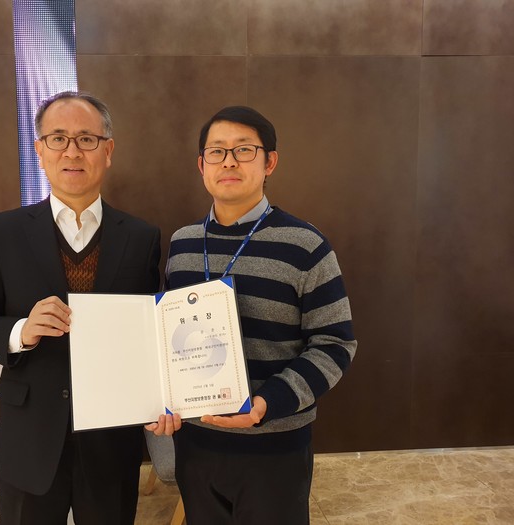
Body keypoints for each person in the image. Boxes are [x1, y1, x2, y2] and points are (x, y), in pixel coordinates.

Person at [0, 91, 161, 524]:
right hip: (29, 439)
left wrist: (158, 400)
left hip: (111, 441)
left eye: (86, 139)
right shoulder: (3, 232)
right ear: (40, 151)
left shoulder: (141, 237)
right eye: (58, 138)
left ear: (108, 150)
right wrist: (21, 331)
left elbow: (149, 335)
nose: (72, 151)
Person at [146, 106, 357, 524]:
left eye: (243, 150)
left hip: (274, 445)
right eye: (216, 151)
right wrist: (160, 398)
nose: (228, 161)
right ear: (201, 165)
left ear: (269, 162)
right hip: (197, 444)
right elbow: (168, 340)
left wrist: (267, 403)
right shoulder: (182, 244)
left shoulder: (305, 245)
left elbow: (335, 344)